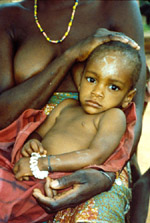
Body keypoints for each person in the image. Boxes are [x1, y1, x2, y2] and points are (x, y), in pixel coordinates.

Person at [0, 0, 146, 222]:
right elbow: (2, 116)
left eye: (111, 87)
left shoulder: (119, 6)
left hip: (103, 160)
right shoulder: (8, 16)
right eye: (90, 79)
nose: (97, 92)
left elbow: (133, 113)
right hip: (19, 151)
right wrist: (70, 57)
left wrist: (105, 175)